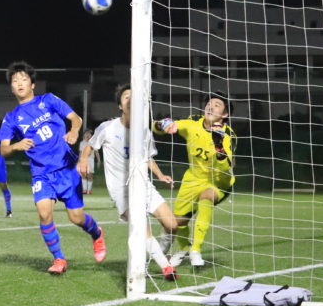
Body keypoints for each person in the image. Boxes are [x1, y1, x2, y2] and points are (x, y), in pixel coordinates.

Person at [0, 61, 105, 275]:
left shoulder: (47, 100)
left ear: (32, 84)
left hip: (66, 168)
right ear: (11, 87)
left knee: (76, 217)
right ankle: (59, 259)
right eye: (15, 80)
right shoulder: (11, 118)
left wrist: (74, 131)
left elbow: (76, 118)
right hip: (41, 174)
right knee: (44, 213)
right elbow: (3, 149)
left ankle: (96, 234)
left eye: (23, 79)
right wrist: (16, 145)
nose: (19, 83)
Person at [78, 84, 179, 280]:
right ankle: (166, 267)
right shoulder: (107, 128)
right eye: (126, 97)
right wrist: (83, 159)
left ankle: (160, 251)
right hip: (122, 190)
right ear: (120, 105)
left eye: (134, 96)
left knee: (172, 225)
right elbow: (90, 145)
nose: (131, 99)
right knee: (142, 227)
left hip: (144, 185)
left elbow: (148, 157)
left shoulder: (144, 131)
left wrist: (160, 175)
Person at [155, 95, 236, 268]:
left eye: (217, 105)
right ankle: (184, 248)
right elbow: (163, 127)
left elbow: (227, 167)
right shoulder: (193, 123)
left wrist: (219, 149)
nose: (211, 107)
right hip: (192, 179)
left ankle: (195, 250)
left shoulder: (228, 135)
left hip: (218, 182)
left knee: (206, 196)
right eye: (209, 104)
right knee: (176, 223)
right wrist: (163, 124)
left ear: (225, 114)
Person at [79, 129, 96, 195]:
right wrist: (79, 160)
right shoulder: (82, 143)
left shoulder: (92, 142)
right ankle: (84, 189)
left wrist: (99, 160)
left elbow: (95, 152)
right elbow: (80, 152)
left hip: (90, 159)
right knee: (83, 174)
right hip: (83, 159)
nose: (88, 135)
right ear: (84, 135)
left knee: (89, 175)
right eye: (86, 133)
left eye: (89, 134)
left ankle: (89, 190)